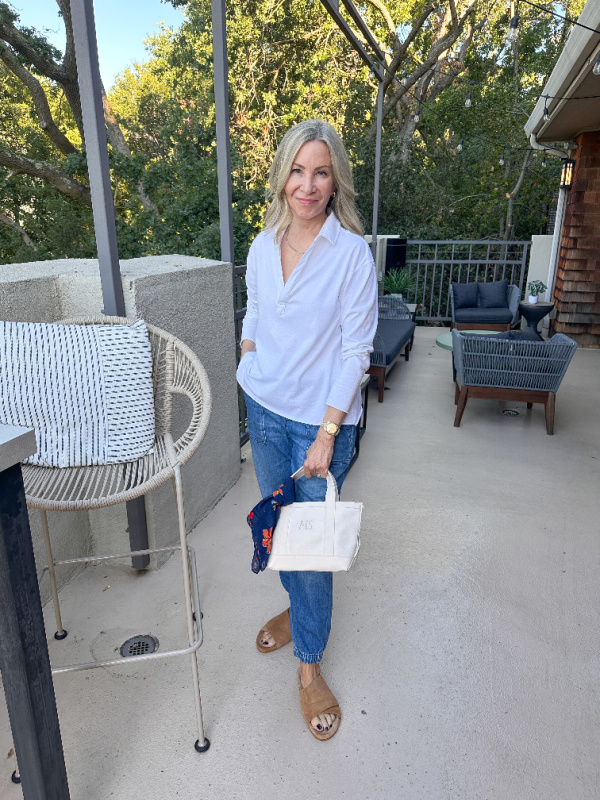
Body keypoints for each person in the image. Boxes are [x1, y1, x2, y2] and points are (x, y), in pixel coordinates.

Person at [236, 119, 377, 740]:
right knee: (280, 526)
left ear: (334, 179)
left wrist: (326, 434)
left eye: (321, 172)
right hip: (262, 412)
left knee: (310, 550)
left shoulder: (350, 253)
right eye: (298, 169)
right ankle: (297, 615)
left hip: (316, 428)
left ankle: (309, 665)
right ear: (283, 175)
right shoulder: (262, 245)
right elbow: (257, 310)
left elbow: (356, 352)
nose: (308, 184)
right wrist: (248, 357)